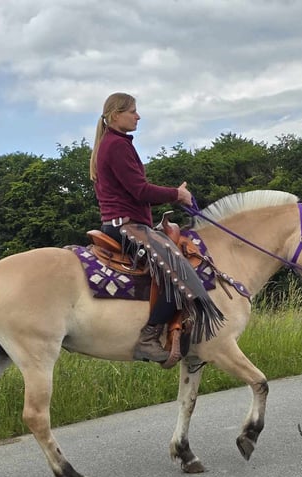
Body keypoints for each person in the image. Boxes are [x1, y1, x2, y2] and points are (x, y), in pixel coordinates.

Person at [89, 92, 219, 364]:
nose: (138, 116)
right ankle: (148, 338)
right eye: (133, 111)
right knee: (181, 272)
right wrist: (177, 194)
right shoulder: (116, 145)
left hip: (126, 224)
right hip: (127, 227)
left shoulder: (113, 143)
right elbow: (140, 190)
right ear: (116, 115)